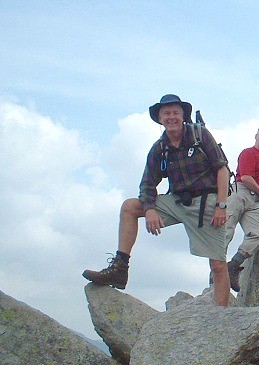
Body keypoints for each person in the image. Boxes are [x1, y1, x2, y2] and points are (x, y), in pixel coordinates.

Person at [83, 94, 231, 306]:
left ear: (183, 116)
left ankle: (222, 316)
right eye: (166, 113)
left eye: (175, 113)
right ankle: (120, 269)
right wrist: (150, 209)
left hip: (206, 202)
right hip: (178, 201)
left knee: (217, 264)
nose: (171, 117)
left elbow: (222, 168)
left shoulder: (200, 135)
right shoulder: (159, 148)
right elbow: (147, 184)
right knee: (130, 207)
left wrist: (221, 205)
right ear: (160, 118)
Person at [224, 125, 259, 292]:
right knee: (226, 231)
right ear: (256, 136)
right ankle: (215, 275)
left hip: (253, 199)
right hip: (240, 192)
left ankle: (233, 265)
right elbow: (247, 177)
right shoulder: (247, 153)